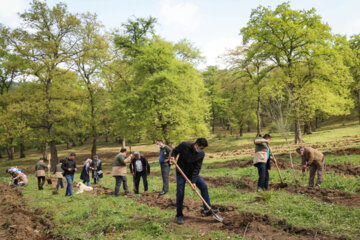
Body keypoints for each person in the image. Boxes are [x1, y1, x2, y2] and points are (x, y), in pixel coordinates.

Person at [170, 138, 218, 225]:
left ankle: (207, 210)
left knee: (204, 186)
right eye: (201, 148)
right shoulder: (184, 145)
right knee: (180, 193)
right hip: (181, 172)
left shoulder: (201, 154)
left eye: (203, 149)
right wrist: (173, 157)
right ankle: (179, 215)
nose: (202, 150)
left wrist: (193, 182)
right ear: (196, 145)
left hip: (192, 173)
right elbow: (175, 151)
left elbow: (197, 168)